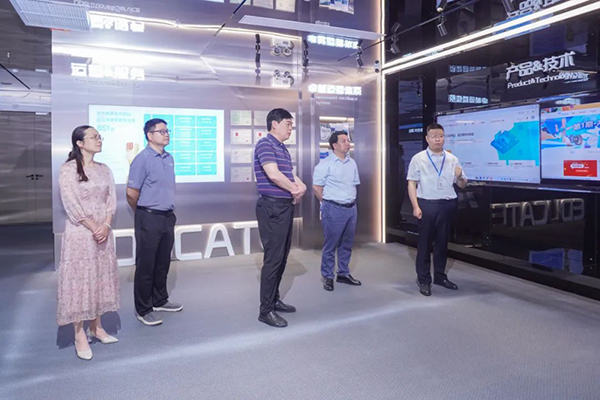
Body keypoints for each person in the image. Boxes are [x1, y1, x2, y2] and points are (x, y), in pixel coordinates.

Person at [58, 125, 120, 361]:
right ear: (80, 143)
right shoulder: (68, 169)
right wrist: (94, 227)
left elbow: (111, 200)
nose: (99, 140)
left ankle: (97, 326)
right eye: (94, 137)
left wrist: (106, 225)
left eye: (99, 136)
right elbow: (71, 203)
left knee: (99, 277)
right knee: (80, 280)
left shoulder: (104, 169)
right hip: (81, 233)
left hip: (103, 232)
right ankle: (79, 333)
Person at [254, 108, 307, 328]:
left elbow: (289, 175)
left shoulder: (282, 148)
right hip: (272, 207)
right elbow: (273, 175)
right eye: (288, 124)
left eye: (291, 125)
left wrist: (301, 186)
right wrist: (295, 190)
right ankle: (265, 310)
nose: (290, 128)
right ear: (274, 124)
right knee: (273, 258)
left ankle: (274, 300)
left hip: (284, 207)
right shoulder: (265, 144)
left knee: (282, 257)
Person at [126, 118, 182, 327]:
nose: (166, 134)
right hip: (148, 216)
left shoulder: (169, 157)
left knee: (162, 261)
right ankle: (144, 309)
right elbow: (131, 193)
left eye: (167, 131)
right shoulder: (142, 159)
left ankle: (159, 300)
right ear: (150, 135)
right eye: (162, 131)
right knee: (146, 264)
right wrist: (142, 212)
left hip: (167, 216)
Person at [407, 123, 468, 296]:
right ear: (427, 138)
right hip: (427, 204)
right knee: (425, 244)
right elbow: (411, 183)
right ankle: (424, 279)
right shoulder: (418, 158)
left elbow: (462, 184)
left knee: (443, 243)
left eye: (440, 136)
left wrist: (460, 176)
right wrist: (415, 206)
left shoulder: (452, 159)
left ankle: (440, 276)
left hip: (447, 205)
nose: (437, 139)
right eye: (434, 136)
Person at [313, 131, 362, 291]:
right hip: (333, 208)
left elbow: (354, 184)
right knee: (330, 244)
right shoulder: (325, 164)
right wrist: (327, 203)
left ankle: (343, 273)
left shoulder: (352, 163)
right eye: (344, 141)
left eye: (348, 140)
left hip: (351, 208)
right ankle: (327, 276)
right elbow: (316, 187)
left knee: (347, 244)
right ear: (334, 145)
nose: (348, 143)